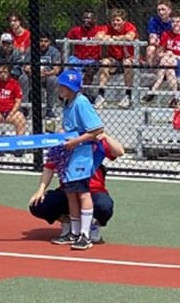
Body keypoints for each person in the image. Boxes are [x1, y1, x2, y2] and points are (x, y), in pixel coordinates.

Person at [29, 133, 123, 244]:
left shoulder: (95, 140)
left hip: (94, 190)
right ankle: (68, 223)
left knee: (104, 207)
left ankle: (93, 227)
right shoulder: (64, 141)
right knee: (38, 204)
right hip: (68, 190)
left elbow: (119, 152)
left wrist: (105, 136)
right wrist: (40, 190)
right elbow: (49, 168)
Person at [54, 67, 106, 250]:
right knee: (71, 193)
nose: (60, 88)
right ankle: (74, 232)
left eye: (64, 86)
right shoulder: (67, 104)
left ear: (72, 88)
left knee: (83, 193)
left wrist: (76, 141)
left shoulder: (81, 102)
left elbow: (97, 130)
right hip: (70, 155)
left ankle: (85, 234)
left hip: (81, 156)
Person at [95, 9, 139, 109]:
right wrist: (113, 37)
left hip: (128, 58)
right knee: (105, 62)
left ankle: (128, 95)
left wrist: (113, 38)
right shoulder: (108, 27)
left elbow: (129, 37)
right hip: (114, 59)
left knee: (127, 63)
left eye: (118, 20)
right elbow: (98, 36)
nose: (115, 23)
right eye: (113, 20)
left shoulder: (129, 26)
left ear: (124, 21)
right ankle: (101, 95)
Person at [149, 12, 180, 94]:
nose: (175, 24)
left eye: (177, 22)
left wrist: (174, 56)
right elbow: (159, 54)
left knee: (168, 60)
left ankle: (154, 89)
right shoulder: (166, 34)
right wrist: (166, 54)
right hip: (166, 66)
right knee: (168, 67)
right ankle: (175, 95)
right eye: (172, 22)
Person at [36, 35, 63, 117]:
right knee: (23, 78)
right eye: (41, 41)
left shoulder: (54, 52)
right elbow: (26, 67)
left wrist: (47, 73)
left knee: (53, 79)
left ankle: (49, 109)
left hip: (47, 75)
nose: (43, 43)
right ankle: (25, 109)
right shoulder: (31, 49)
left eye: (46, 41)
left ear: (49, 42)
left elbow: (56, 70)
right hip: (33, 75)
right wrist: (34, 72)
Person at [143, 0, 175, 66]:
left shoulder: (174, 22)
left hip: (171, 46)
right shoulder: (153, 21)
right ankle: (152, 71)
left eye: (163, 9)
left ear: (169, 10)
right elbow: (152, 40)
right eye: (158, 10)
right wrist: (158, 43)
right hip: (159, 47)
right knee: (150, 49)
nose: (161, 12)